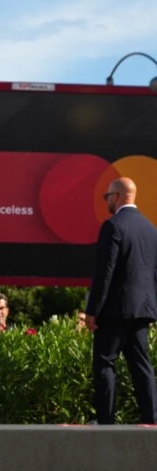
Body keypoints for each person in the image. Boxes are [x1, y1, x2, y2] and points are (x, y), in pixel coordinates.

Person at [85, 177, 157, 424]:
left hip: (114, 311)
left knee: (105, 363)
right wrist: (150, 309)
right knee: (141, 365)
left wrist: (93, 310)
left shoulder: (113, 226)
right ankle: (152, 419)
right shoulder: (150, 229)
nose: (106, 201)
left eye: (107, 196)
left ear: (116, 196)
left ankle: (106, 422)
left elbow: (105, 272)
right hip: (142, 310)